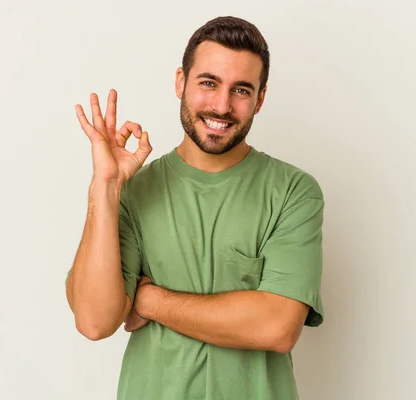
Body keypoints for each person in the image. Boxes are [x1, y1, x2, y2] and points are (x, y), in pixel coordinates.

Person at [65, 16, 324, 400]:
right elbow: (94, 321)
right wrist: (106, 187)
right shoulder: (134, 192)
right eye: (208, 83)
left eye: (241, 90)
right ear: (180, 82)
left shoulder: (293, 192)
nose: (221, 106)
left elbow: (277, 327)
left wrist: (149, 300)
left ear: (260, 98)